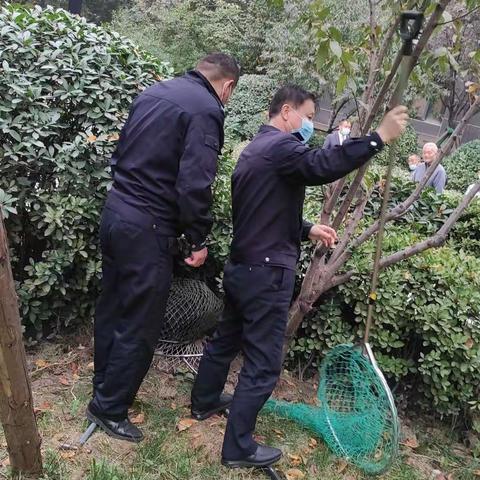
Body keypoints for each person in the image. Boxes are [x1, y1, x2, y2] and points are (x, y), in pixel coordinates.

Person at [190, 85, 408, 470]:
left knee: (226, 339)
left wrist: (305, 227)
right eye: (309, 117)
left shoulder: (254, 151)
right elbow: (322, 165)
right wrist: (378, 138)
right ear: (287, 112)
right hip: (266, 274)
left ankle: (205, 400)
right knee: (263, 363)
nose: (310, 126)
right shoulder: (281, 148)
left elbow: (263, 209)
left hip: (243, 266)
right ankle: (237, 448)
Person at [87, 53, 240, 443]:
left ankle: (102, 390)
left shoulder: (156, 91)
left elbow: (121, 152)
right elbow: (194, 184)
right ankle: (110, 408)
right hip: (147, 225)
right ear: (228, 86)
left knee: (114, 305)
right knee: (140, 319)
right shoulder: (207, 109)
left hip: (116, 211)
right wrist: (198, 238)